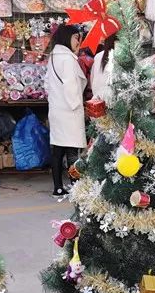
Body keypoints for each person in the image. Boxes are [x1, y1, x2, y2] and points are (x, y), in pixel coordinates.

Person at [45, 24, 87, 197]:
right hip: (70, 111)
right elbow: (71, 86)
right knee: (72, 150)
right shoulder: (68, 59)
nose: (78, 42)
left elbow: (47, 84)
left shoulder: (54, 57)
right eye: (76, 38)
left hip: (57, 109)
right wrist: (76, 105)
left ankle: (58, 187)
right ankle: (75, 187)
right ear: (66, 38)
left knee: (58, 150)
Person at [90, 34, 116, 102]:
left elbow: (93, 80)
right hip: (112, 103)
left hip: (97, 100)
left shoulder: (98, 56)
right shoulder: (118, 56)